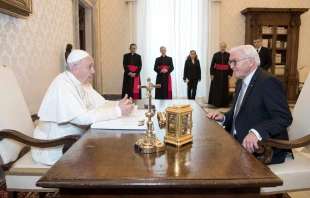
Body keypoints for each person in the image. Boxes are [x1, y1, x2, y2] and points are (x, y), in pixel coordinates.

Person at [32, 50, 135, 165]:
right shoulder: (62, 85)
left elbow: (100, 103)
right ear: (75, 69)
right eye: (89, 67)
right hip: (55, 149)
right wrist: (117, 111)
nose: (93, 71)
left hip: (77, 142)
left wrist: (118, 105)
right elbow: (83, 118)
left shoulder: (82, 83)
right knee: (110, 158)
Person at [207, 45, 292, 164]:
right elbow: (238, 112)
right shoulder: (241, 81)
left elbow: (284, 118)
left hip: (261, 148)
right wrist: (224, 117)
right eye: (230, 62)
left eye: (234, 62)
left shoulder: (268, 81)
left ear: (251, 61)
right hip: (237, 140)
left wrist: (257, 132)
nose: (231, 66)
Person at [208, 42, 233, 107]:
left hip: (225, 74)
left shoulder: (229, 55)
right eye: (221, 46)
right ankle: (216, 103)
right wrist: (212, 74)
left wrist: (230, 74)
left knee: (224, 88)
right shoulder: (215, 55)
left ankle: (224, 103)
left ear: (226, 47)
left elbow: (231, 65)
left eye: (224, 46)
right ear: (219, 47)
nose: (223, 48)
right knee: (217, 88)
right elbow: (212, 65)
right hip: (217, 74)